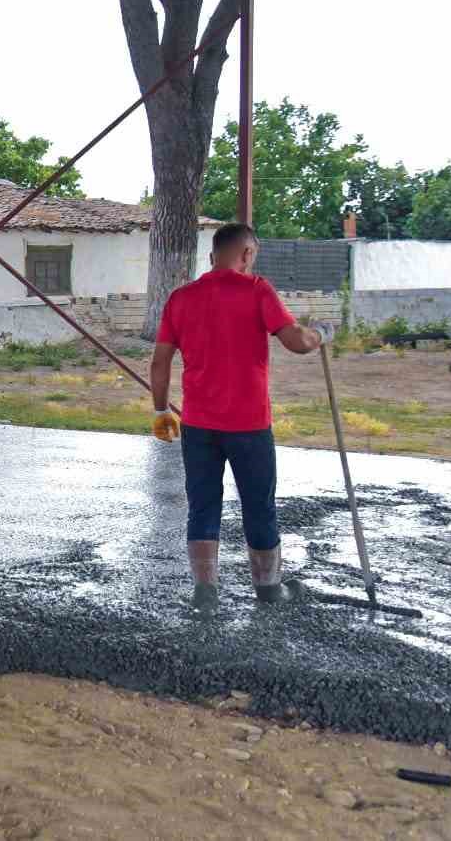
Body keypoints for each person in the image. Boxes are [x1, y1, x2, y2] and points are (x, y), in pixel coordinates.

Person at [149, 222, 325, 611]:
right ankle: (268, 590)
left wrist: (161, 410)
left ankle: (205, 592)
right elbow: (296, 341)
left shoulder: (181, 298)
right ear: (247, 254)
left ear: (213, 257)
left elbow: (160, 361)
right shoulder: (257, 289)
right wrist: (319, 335)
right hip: (249, 426)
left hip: (198, 425)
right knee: (258, 504)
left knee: (203, 504)